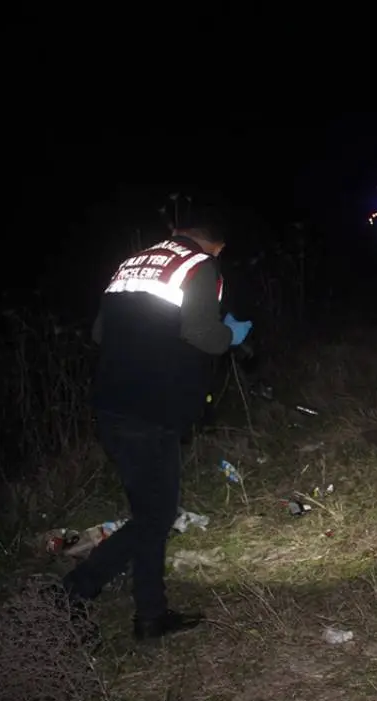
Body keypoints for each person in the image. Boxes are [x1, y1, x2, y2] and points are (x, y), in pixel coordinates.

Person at [60, 219, 252, 641]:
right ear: (216, 244)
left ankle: (150, 615)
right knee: (156, 517)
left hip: (112, 406)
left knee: (148, 514)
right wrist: (230, 335)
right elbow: (202, 333)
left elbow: (99, 333)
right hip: (153, 409)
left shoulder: (132, 263)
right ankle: (74, 591)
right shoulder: (199, 264)